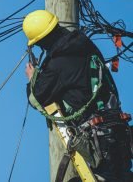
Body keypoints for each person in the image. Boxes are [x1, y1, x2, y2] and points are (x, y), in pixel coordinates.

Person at [23, 10, 133, 182]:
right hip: (120, 131)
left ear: (42, 41)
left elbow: (37, 98)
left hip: (98, 139)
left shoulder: (57, 64)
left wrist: (32, 79)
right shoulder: (86, 46)